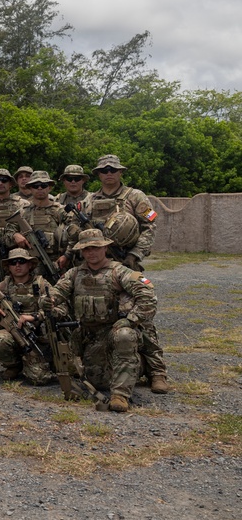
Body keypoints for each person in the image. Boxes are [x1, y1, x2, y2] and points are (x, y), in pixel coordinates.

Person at [72, 154, 167, 393]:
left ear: (120, 172)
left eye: (113, 169)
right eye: (103, 170)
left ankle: (157, 371)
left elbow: (150, 226)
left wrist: (134, 255)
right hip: (97, 268)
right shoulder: (89, 200)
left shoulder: (135, 197)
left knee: (138, 317)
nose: (108, 173)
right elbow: (74, 229)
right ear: (98, 174)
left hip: (126, 265)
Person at [50, 229, 158, 412]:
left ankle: (120, 395)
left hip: (113, 332)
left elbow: (148, 296)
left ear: (105, 248)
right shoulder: (75, 274)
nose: (91, 253)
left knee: (125, 336)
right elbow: (57, 293)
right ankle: (138, 367)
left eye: (95, 248)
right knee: (96, 380)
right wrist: (49, 300)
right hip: (87, 336)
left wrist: (130, 321)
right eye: (86, 249)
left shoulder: (119, 272)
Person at [0, 249, 53, 384]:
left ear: (30, 265)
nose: (17, 265)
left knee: (40, 379)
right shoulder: (4, 285)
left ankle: (36, 362)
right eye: (13, 262)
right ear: (8, 267)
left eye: (22, 261)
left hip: (37, 336)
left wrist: (34, 317)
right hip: (12, 332)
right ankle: (13, 365)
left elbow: (56, 308)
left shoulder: (40, 284)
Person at [11, 170, 68, 280]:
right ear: (30, 188)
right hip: (29, 265)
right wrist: (15, 235)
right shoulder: (23, 212)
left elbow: (75, 235)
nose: (40, 188)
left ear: (49, 187)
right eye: (36, 186)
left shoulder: (60, 210)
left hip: (57, 262)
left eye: (43, 185)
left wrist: (67, 256)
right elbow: (8, 232)